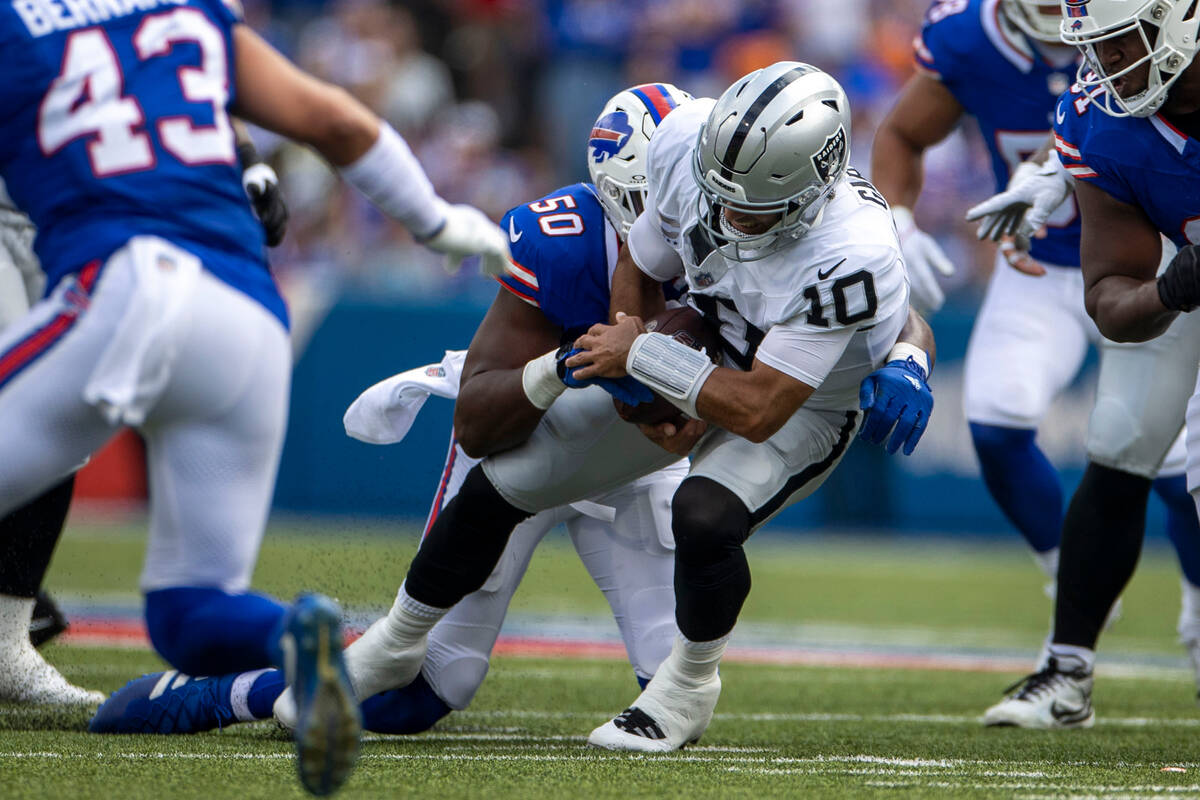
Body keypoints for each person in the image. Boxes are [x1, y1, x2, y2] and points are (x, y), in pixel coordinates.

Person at [296, 61, 937, 754]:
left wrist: (641, 356)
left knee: (704, 513)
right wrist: (639, 372)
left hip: (806, 402)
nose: (725, 214)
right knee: (511, 478)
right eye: (717, 193)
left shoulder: (853, 253)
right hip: (709, 341)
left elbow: (758, 410)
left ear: (813, 190)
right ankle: (396, 640)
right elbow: (640, 256)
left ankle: (688, 688)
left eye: (748, 206)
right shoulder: (686, 142)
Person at [1, 0, 510, 792]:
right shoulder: (187, 15)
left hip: (121, 283)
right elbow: (334, 121)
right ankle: (303, 640)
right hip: (245, 314)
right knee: (190, 613)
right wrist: (440, 222)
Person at [89, 83, 694, 736]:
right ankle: (238, 694)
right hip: (528, 447)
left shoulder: (725, 229)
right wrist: (561, 367)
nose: (677, 214)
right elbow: (478, 422)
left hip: (628, 462)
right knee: (431, 687)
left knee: (670, 687)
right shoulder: (562, 241)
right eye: (656, 195)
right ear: (618, 191)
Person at [872, 0, 1200, 627]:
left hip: (1153, 254)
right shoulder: (972, 38)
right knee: (998, 420)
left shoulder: (1154, 45)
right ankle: (1069, 588)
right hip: (1043, 266)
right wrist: (899, 220)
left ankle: (1195, 611)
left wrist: (1053, 171)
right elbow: (904, 133)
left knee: (1176, 459)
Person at [961, 0, 1200, 727]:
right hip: (1185, 271)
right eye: (1097, 48)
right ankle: (1067, 673)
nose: (1108, 65)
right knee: (1121, 443)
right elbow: (1107, 297)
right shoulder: (1104, 120)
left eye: (1124, 42)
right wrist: (1171, 287)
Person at [0, 128, 287, 707]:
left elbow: (192, 70)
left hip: (86, 222)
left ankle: (6, 640)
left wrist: (248, 159)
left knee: (60, 424)